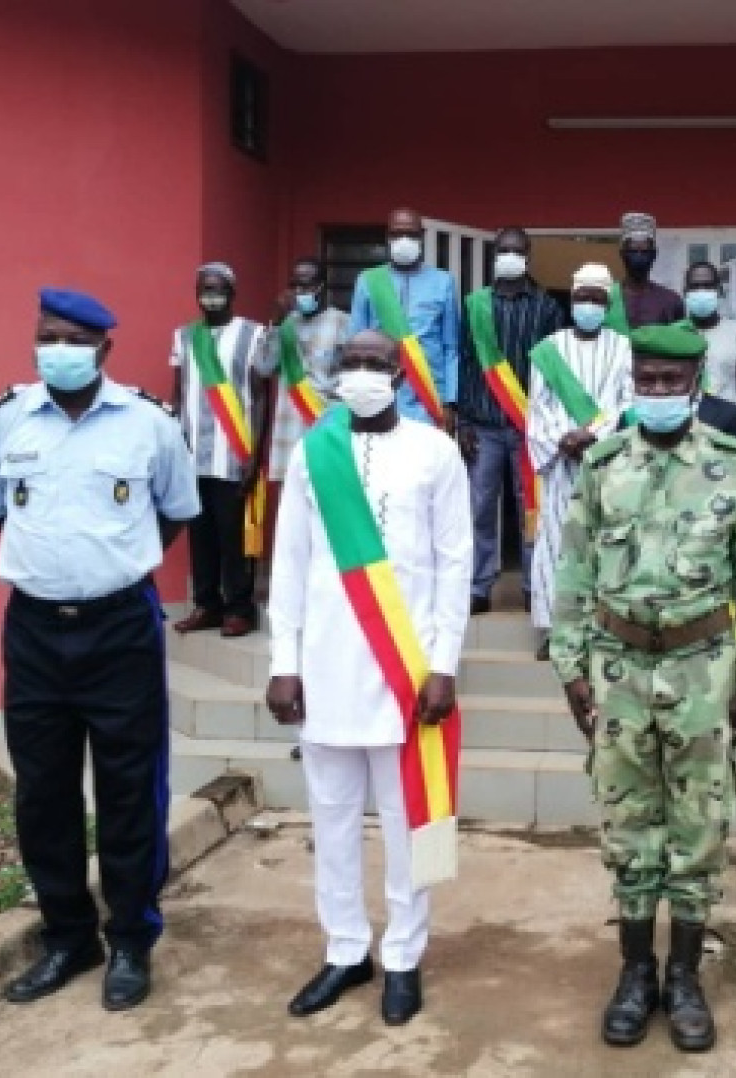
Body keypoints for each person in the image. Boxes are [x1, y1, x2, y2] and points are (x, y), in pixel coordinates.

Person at [0, 288, 200, 1011]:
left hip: (120, 628)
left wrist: (113, 567)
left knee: (130, 790)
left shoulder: (149, 425)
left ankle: (131, 938)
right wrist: (57, 569)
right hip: (34, 629)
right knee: (43, 791)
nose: (56, 349)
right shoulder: (5, 419)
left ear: (103, 348)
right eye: (46, 336)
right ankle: (69, 937)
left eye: (72, 338)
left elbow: (173, 513)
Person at [550, 323, 736, 1053]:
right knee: (626, 821)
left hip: (703, 665)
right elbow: (575, 566)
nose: (655, 393)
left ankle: (683, 976)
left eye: (668, 382)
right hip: (617, 667)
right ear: (632, 382)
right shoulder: (604, 463)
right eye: (644, 381)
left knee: (699, 822)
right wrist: (569, 666)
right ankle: (635, 973)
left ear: (695, 382)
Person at [266, 330, 472, 1027]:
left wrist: (445, 665)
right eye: (349, 363)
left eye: (374, 364)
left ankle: (406, 956)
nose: (361, 373)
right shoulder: (311, 454)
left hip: (407, 675)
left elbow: (455, 565)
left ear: (400, 374)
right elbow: (288, 564)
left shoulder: (435, 451)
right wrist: (282, 664)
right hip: (324, 668)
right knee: (331, 822)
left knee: (417, 823)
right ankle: (346, 949)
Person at [457, 227, 565, 615]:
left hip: (529, 426)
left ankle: (534, 585)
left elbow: (556, 368)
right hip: (483, 424)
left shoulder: (547, 307)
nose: (509, 256)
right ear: (494, 255)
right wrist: (463, 421)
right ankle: (478, 585)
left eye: (516, 251)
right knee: (479, 506)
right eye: (502, 250)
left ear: (528, 256)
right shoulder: (474, 305)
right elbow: (466, 363)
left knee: (530, 508)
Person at [527, 263, 633, 659]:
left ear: (607, 303)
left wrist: (593, 434)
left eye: (596, 299)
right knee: (556, 541)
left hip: (607, 462)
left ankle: (603, 626)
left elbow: (627, 402)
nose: (588, 305)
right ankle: (554, 630)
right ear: (571, 301)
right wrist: (562, 439)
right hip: (561, 464)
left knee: (606, 542)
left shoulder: (623, 348)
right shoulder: (548, 350)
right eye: (581, 298)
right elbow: (539, 406)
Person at [169, 263, 268, 637]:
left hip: (234, 450)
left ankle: (240, 608)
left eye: (217, 288)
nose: (209, 295)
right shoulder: (183, 336)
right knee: (200, 533)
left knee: (233, 535)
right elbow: (178, 392)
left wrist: (253, 455)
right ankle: (207, 605)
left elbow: (260, 397)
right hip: (193, 452)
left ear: (231, 292)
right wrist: (172, 442)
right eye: (203, 289)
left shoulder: (253, 334)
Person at [349, 207, 461, 431]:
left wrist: (450, 402)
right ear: (387, 238)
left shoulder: (443, 281)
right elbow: (355, 344)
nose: (404, 240)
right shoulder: (368, 281)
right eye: (397, 234)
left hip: (428, 397)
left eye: (410, 234)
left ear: (421, 237)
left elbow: (451, 347)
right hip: (379, 393)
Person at [257, 256, 349, 483]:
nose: (300, 291)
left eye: (306, 285)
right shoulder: (285, 324)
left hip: (326, 426)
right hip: (289, 430)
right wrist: (276, 324)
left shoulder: (342, 322)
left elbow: (351, 378)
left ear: (321, 286)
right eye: (294, 285)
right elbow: (263, 368)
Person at [683, 261, 736, 440]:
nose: (701, 291)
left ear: (719, 291)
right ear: (685, 292)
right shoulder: (673, 335)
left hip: (728, 429)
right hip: (683, 431)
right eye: (695, 287)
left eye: (708, 286)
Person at [604, 212, 684, 332]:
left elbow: (681, 343)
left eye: (644, 251)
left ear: (654, 255)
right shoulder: (606, 297)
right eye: (633, 251)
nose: (639, 257)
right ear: (622, 254)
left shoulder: (671, 301)